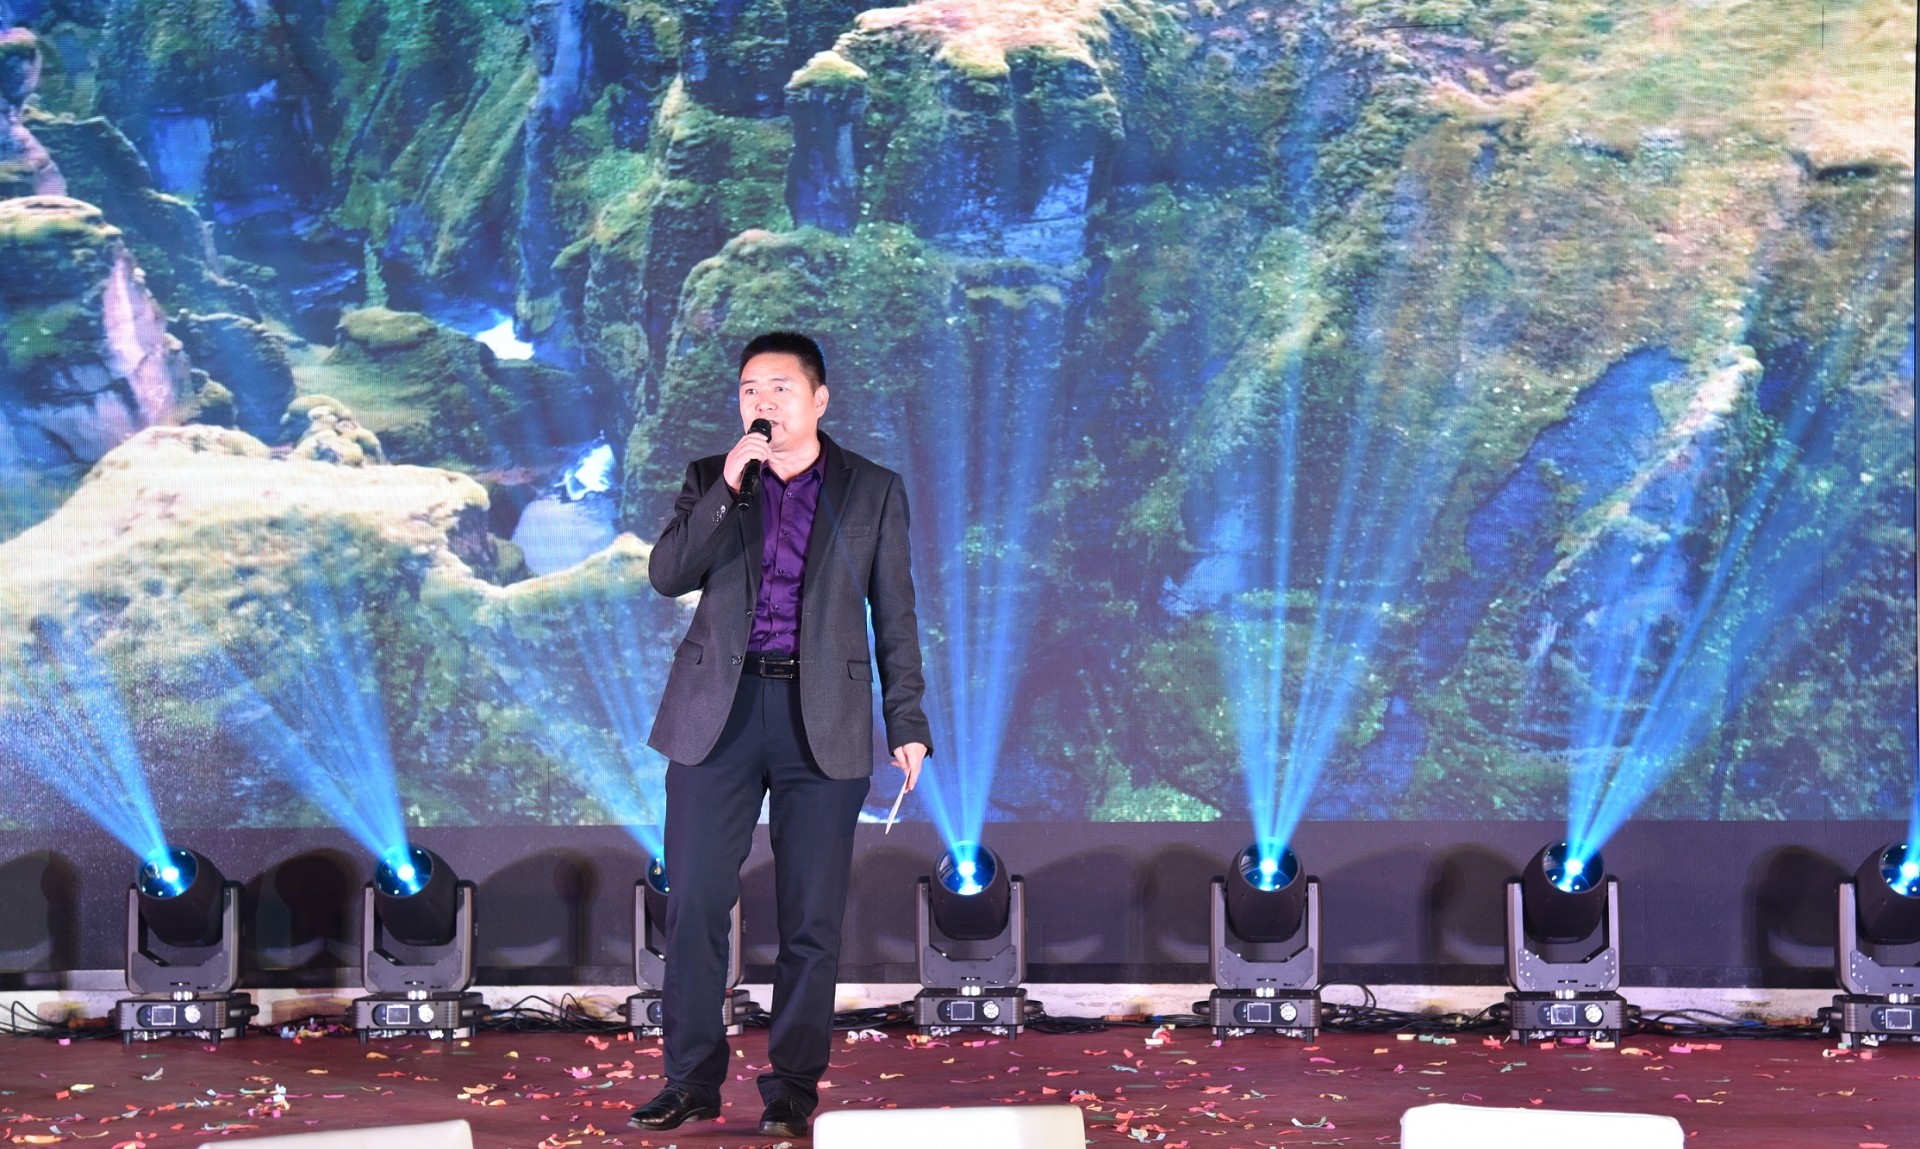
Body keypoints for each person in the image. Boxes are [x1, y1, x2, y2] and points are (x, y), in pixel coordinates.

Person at [630, 331, 932, 1140]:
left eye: (779, 389)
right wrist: (729, 485)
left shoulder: (872, 488)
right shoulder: (712, 476)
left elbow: (896, 614)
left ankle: (793, 1085)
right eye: (749, 391)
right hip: (718, 716)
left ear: (819, 399)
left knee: (811, 915)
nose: (762, 404)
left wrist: (907, 721)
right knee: (695, 899)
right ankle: (690, 1078)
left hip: (821, 715)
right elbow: (667, 574)